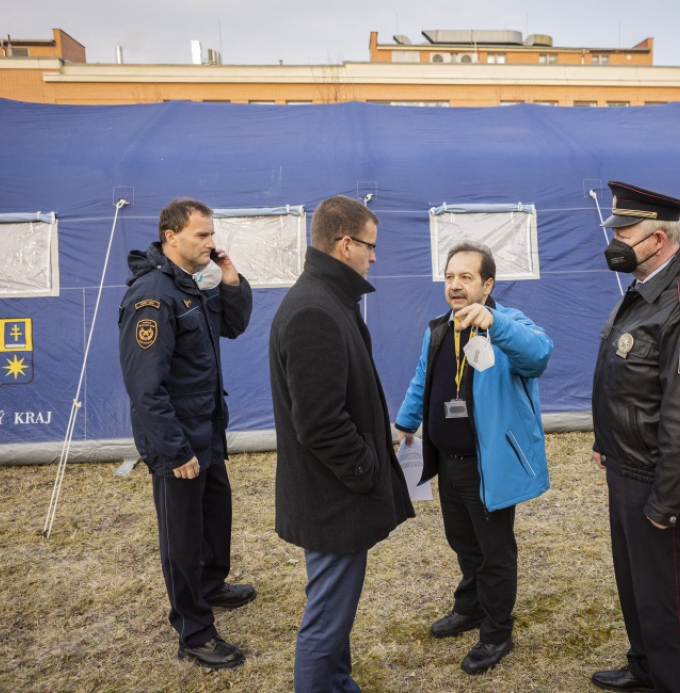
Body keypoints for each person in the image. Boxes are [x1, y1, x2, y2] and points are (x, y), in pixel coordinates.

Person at [589, 182, 680, 693]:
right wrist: (605, 442)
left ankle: (673, 682)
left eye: (624, 231)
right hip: (626, 466)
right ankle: (644, 665)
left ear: (658, 236)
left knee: (665, 593)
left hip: (656, 478)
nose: (615, 240)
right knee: (635, 583)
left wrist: (665, 500)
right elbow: (628, 380)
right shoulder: (644, 286)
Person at [269, 195, 414, 692]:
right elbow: (320, 423)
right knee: (326, 621)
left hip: (332, 495)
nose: (375, 257)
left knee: (335, 614)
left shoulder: (329, 299)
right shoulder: (315, 310)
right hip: (332, 500)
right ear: (346, 244)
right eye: (371, 247)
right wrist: (367, 471)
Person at [395, 241, 554, 675]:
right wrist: (405, 424)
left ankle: (497, 631)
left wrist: (496, 322)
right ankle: (470, 607)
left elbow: (539, 354)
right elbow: (421, 380)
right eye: (449, 276)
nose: (455, 285)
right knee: (462, 542)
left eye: (466, 277)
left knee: (494, 551)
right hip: (448, 463)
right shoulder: (439, 329)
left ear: (488, 285)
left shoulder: (507, 324)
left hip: (489, 466)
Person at [117, 197, 255, 669]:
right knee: (182, 535)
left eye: (212, 234)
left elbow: (234, 326)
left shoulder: (192, 285)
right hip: (177, 439)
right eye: (202, 235)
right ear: (170, 236)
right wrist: (174, 451)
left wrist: (232, 280)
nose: (211, 243)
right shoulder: (152, 296)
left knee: (215, 518)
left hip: (207, 431)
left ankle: (211, 585)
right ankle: (194, 630)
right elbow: (145, 388)